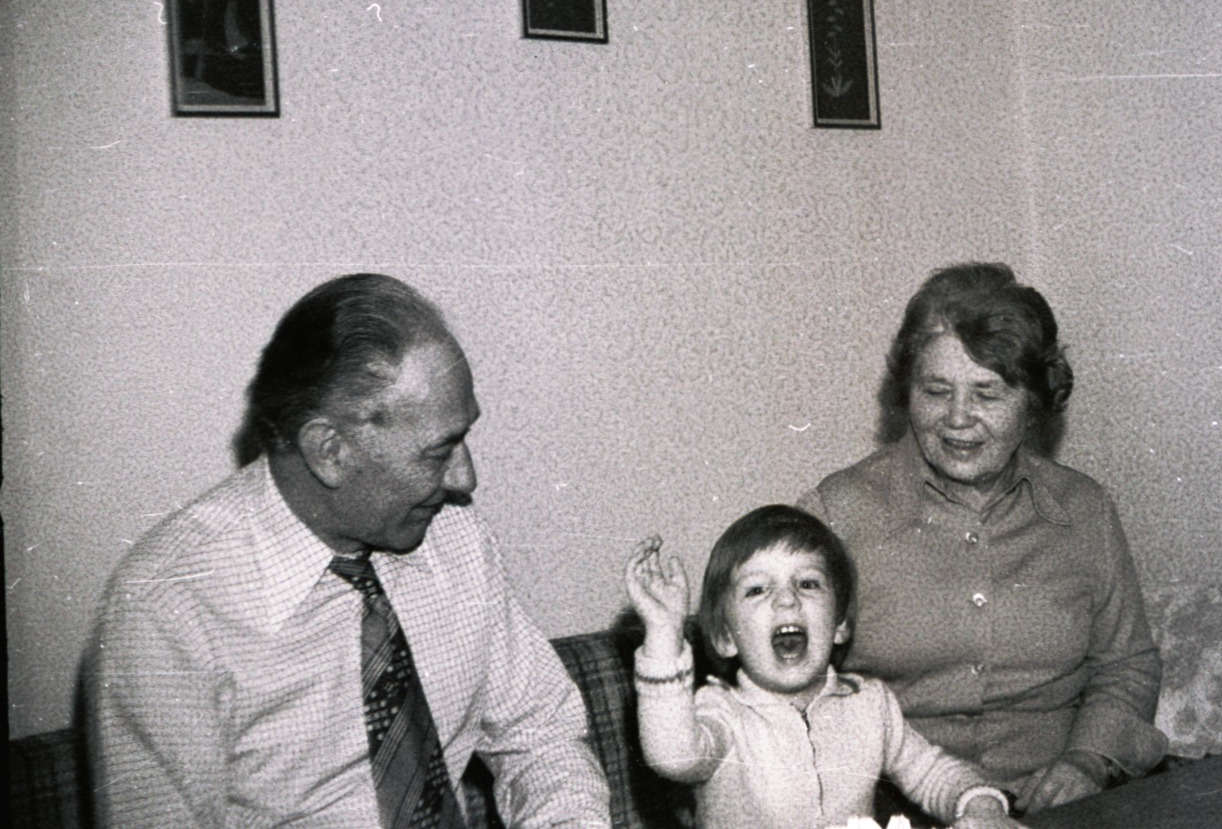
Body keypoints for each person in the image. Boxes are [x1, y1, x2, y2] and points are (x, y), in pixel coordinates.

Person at [85, 273, 611, 829]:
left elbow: (541, 734)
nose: (466, 478)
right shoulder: (167, 606)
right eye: (438, 452)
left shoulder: (453, 535)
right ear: (329, 451)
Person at [799, 262, 1167, 815]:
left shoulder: (1083, 510)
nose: (958, 419)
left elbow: (1126, 665)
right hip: (895, 810)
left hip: (1054, 806)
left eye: (987, 394)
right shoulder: (838, 513)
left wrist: (1086, 761)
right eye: (936, 390)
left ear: (1034, 402)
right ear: (906, 393)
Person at [623, 505, 1025, 829]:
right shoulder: (722, 713)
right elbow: (672, 756)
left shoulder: (870, 704)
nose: (787, 601)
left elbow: (934, 773)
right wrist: (662, 634)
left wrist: (983, 804)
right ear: (726, 638)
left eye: (808, 583)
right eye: (758, 589)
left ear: (840, 625)